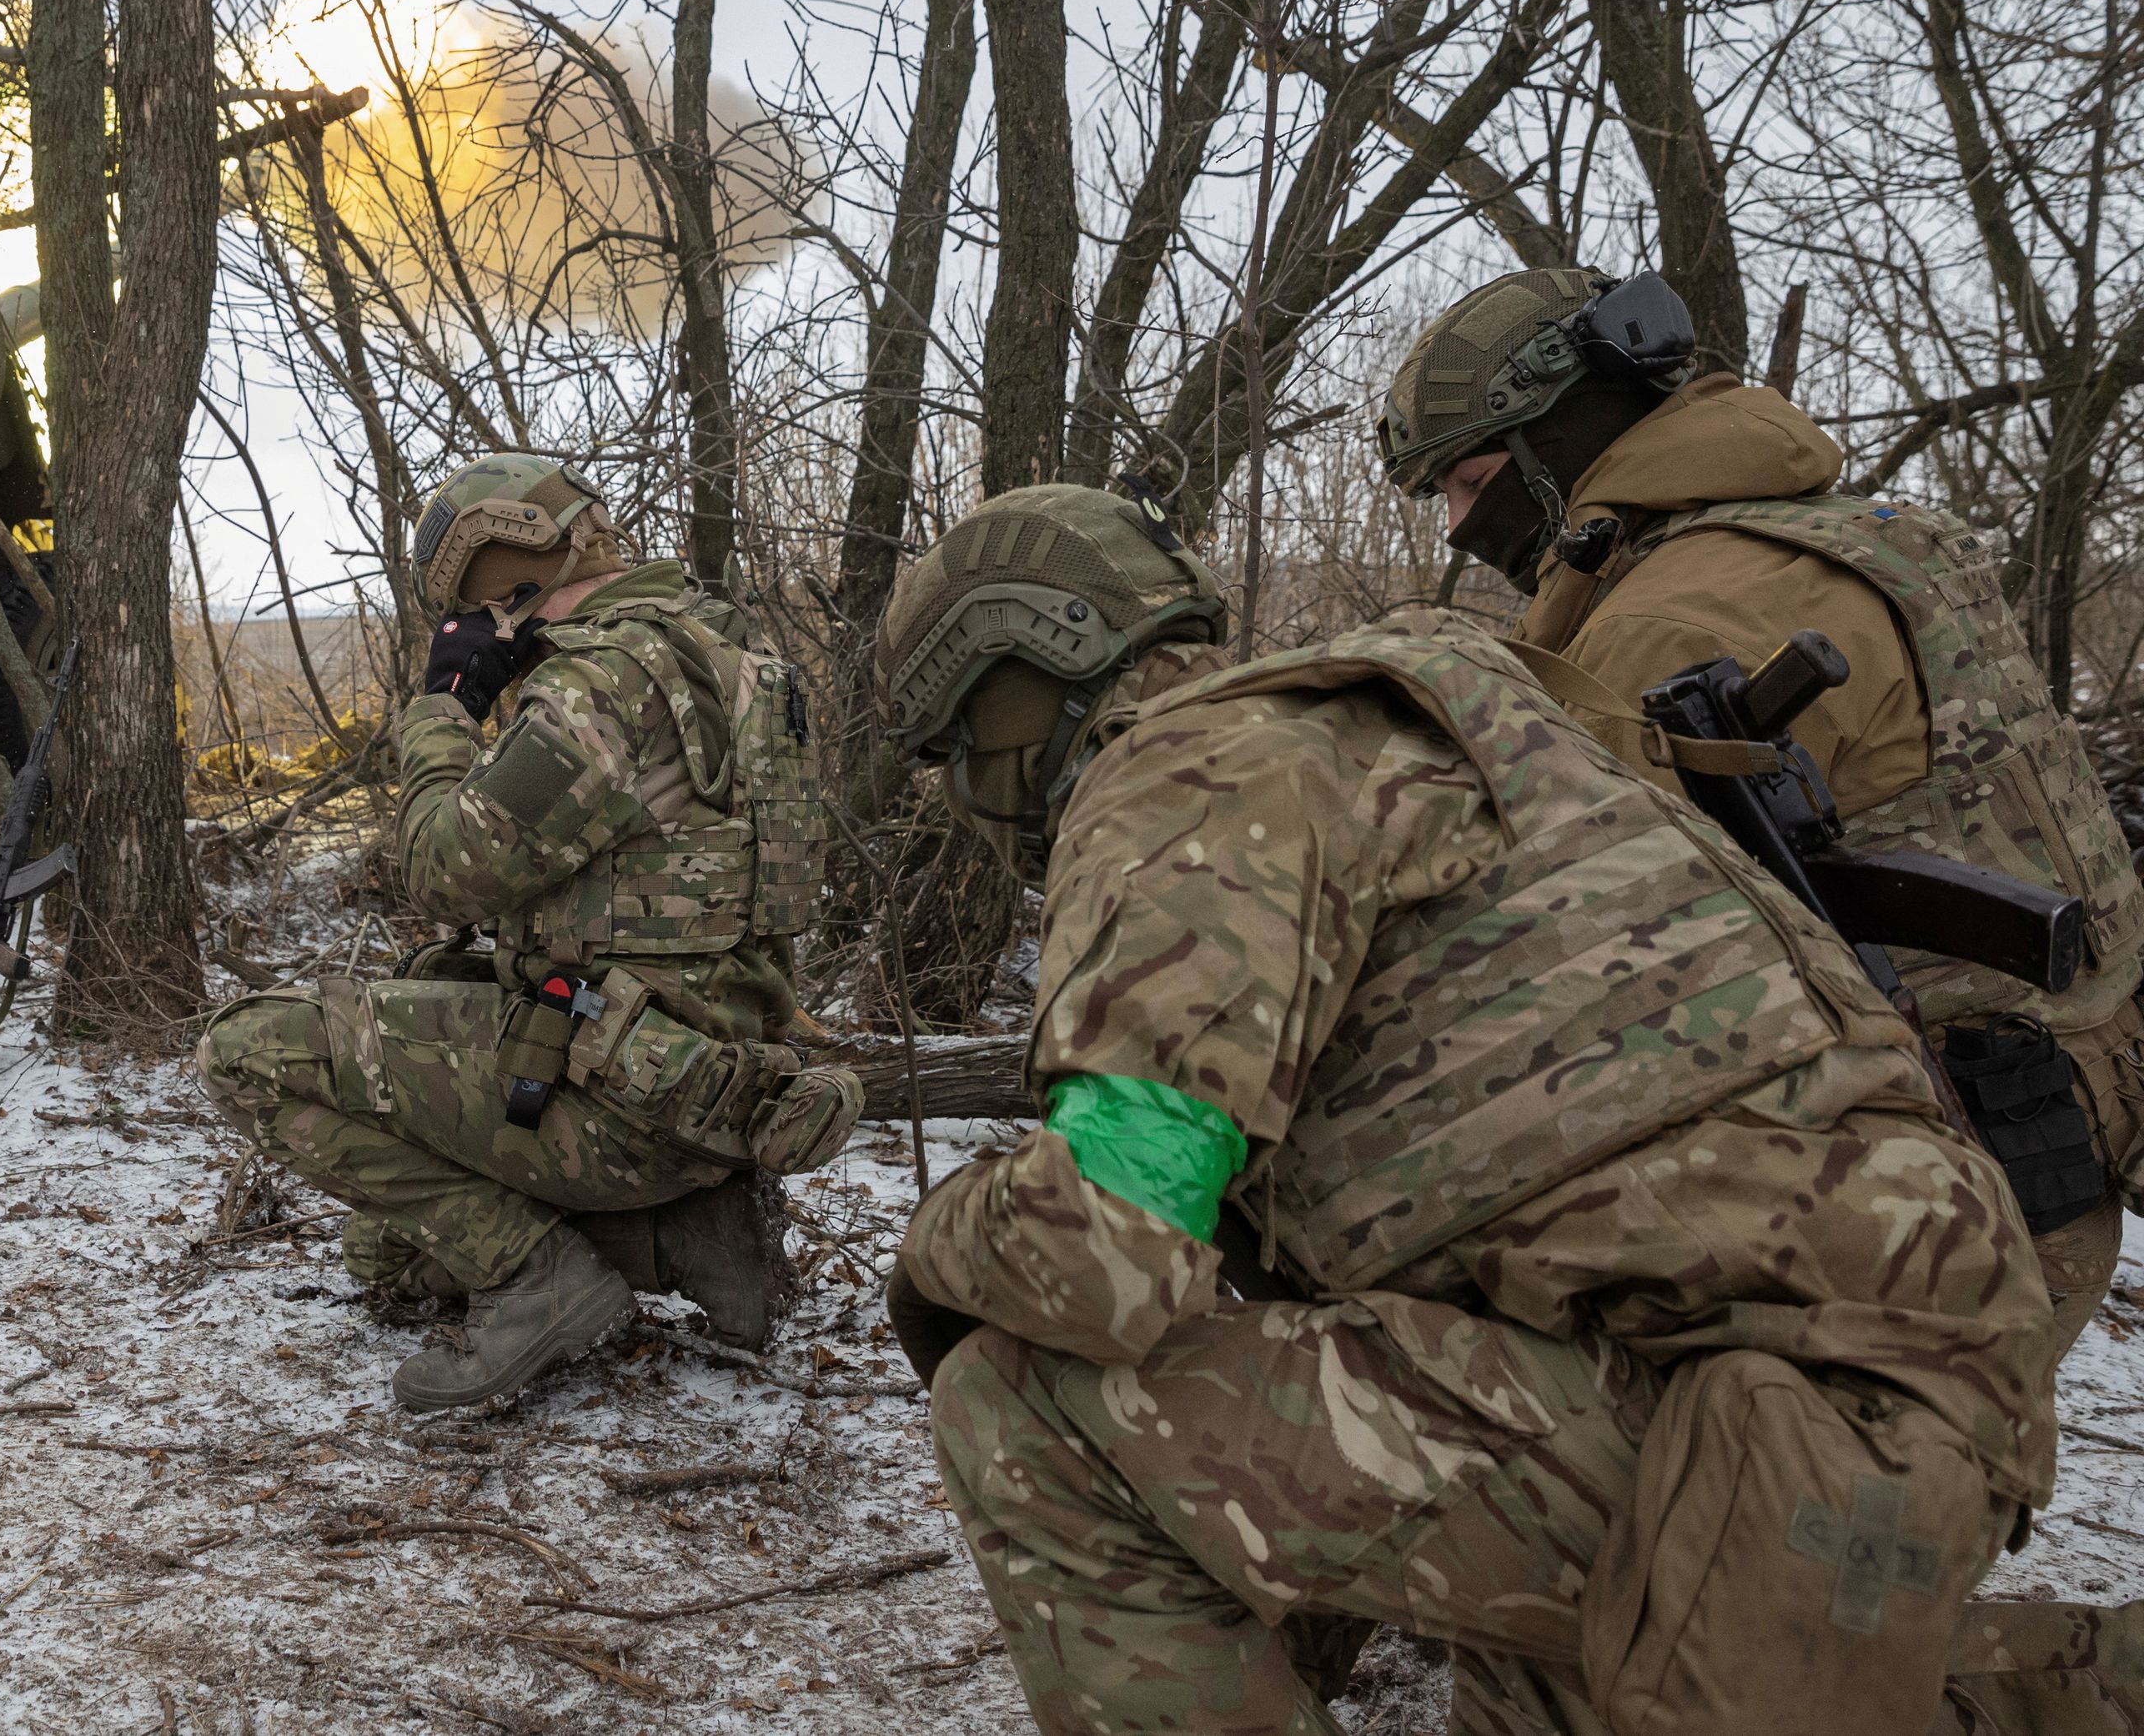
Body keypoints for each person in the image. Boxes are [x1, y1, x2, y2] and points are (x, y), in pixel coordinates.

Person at [874, 483, 2058, 1736]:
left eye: (957, 746)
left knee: (1018, 1407)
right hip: (1890, 1374)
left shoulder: (1186, 766)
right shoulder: (1438, 706)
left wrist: (936, 1246)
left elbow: (1104, 1246)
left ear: (1023, 665)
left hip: (1755, 1411)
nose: (964, 788)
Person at [1377, 267, 2144, 1355]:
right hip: (2057, 1119)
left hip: (1936, 1218)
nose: (1457, 527)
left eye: (1467, 480)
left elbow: (1559, 985)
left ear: (1562, 445)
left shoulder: (1676, 613)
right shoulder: (1864, 529)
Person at [198, 452, 861, 1412]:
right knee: (382, 1252)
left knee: (242, 1051)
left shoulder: (602, 688)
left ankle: (540, 1281)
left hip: (617, 1111)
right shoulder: (744, 665)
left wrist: (444, 710)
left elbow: (440, 869)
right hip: (707, 1095)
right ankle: (686, 1241)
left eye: (466, 609)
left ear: (502, 582)